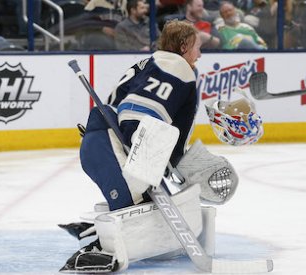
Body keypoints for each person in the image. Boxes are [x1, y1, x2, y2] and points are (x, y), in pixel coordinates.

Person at [59, 19, 263, 273]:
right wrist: (173, 162)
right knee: (134, 198)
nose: (200, 54)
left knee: (141, 197)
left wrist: (121, 130)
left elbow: (113, 99)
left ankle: (96, 228)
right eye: (198, 47)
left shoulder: (145, 63)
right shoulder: (189, 75)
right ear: (184, 46)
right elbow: (180, 127)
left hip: (108, 135)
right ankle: (99, 248)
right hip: (126, 142)